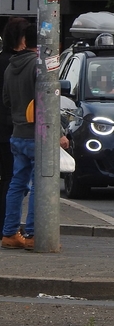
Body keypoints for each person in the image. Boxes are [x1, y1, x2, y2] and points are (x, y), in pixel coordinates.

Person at [1, 24, 69, 250]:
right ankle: (31, 234)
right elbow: (48, 103)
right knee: (41, 184)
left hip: (18, 133)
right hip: (38, 135)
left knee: (16, 183)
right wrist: (59, 133)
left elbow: (7, 101)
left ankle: (9, 233)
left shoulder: (10, 67)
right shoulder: (39, 67)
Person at [0, 17, 29, 234]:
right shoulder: (21, 64)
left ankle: (7, 228)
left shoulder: (5, 62)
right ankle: (7, 228)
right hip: (15, 128)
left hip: (8, 127)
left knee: (10, 179)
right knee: (14, 180)